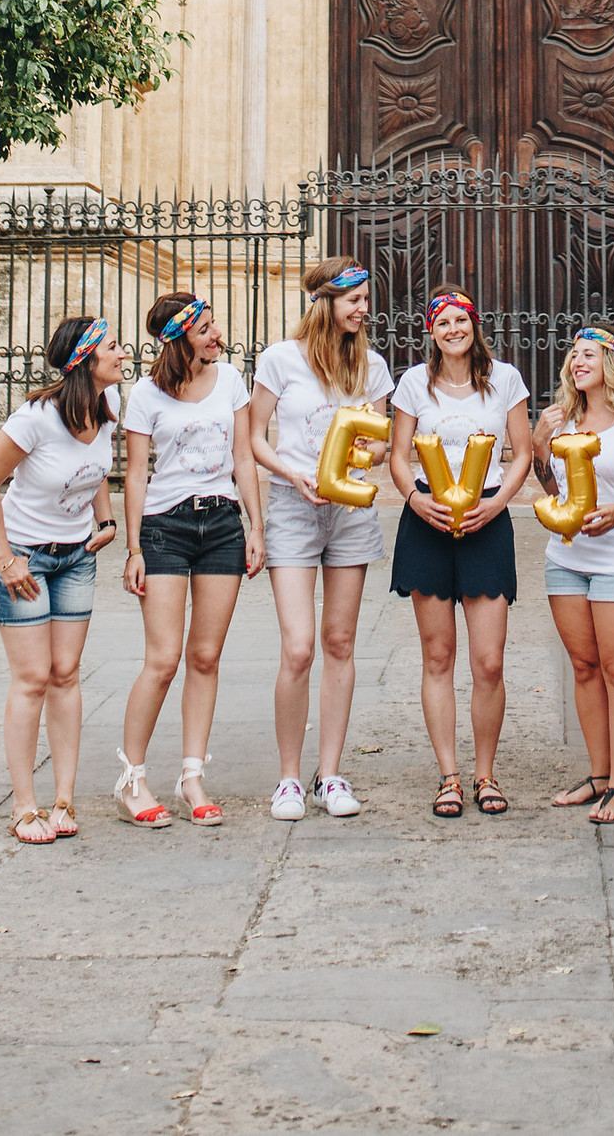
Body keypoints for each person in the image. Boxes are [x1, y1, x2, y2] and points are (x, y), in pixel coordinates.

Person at [248, 257, 394, 820]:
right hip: (292, 507)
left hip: (350, 509)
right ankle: (288, 776)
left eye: (364, 299)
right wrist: (293, 475)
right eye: (353, 300)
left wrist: (363, 457)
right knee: (299, 646)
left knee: (339, 643)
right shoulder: (280, 360)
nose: (363, 309)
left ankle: (329, 774)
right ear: (325, 302)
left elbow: (380, 444)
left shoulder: (372, 367)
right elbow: (255, 437)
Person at [113, 291, 265, 828]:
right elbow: (134, 474)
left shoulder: (229, 381)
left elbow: (244, 457)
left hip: (222, 524)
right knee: (163, 660)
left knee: (206, 656)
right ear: (178, 338)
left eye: (214, 325)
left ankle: (192, 775)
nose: (216, 335)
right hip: (165, 528)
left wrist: (256, 528)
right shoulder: (145, 395)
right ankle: (132, 778)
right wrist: (132, 547)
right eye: (205, 329)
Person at [0, 312, 123, 844]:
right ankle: (23, 805)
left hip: (77, 556)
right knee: (33, 677)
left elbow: (95, 472)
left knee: (66, 673)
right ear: (85, 359)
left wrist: (105, 520)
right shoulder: (34, 418)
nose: (123, 353)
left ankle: (63, 798)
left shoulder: (109, 406)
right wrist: (7, 558)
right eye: (113, 348)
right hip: (25, 557)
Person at [388, 282, 532, 819]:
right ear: (432, 331)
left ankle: (485, 773)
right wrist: (412, 498)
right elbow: (398, 455)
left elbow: (521, 453)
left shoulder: (505, 382)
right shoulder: (412, 385)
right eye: (443, 322)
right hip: (426, 520)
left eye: (462, 321)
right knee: (438, 656)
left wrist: (499, 505)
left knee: (489, 662)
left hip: (486, 519)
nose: (454, 330)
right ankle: (449, 775)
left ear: (475, 326)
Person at [533, 320, 614, 826]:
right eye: (574, 353)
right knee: (585, 669)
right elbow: (550, 491)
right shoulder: (562, 420)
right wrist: (543, 450)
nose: (577, 360)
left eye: (590, 353)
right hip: (567, 562)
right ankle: (597, 774)